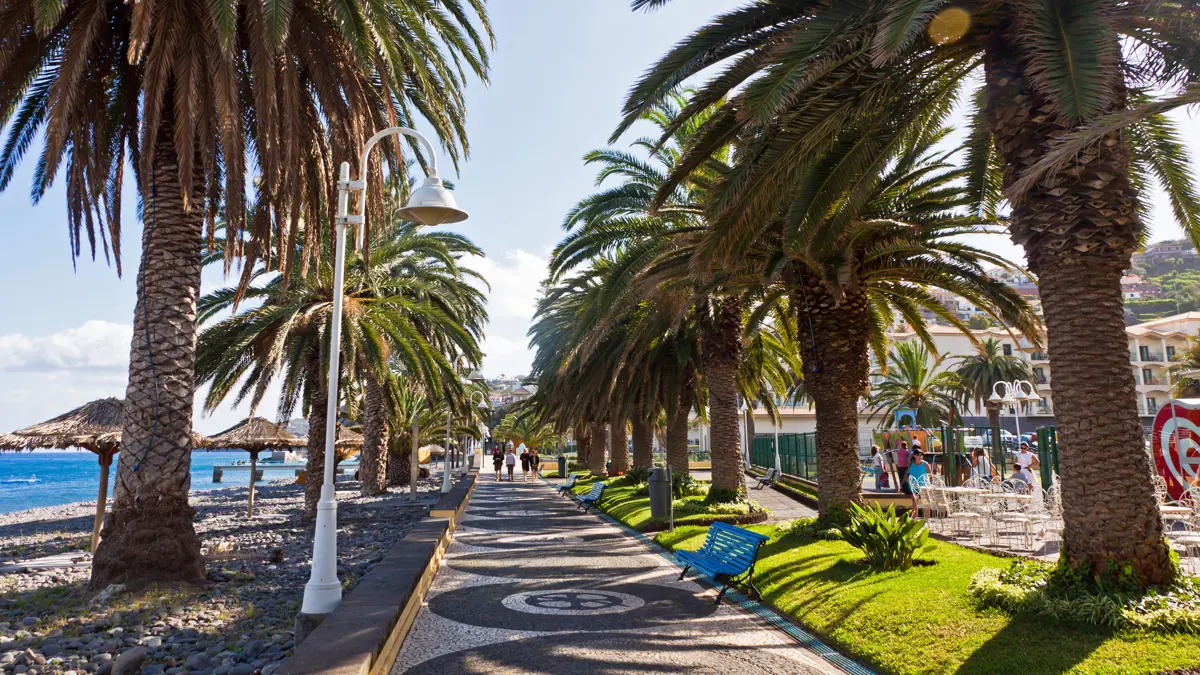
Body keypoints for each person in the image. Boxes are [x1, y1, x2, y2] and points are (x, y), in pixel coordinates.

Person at [907, 449, 930, 514]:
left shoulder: (925, 464)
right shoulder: (911, 463)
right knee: (914, 503)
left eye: (921, 455)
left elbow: (930, 475)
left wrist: (930, 485)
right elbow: (907, 474)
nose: (920, 456)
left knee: (926, 502)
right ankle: (914, 520)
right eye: (918, 455)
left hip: (924, 486)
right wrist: (902, 484)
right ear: (914, 455)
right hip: (913, 486)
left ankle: (926, 519)